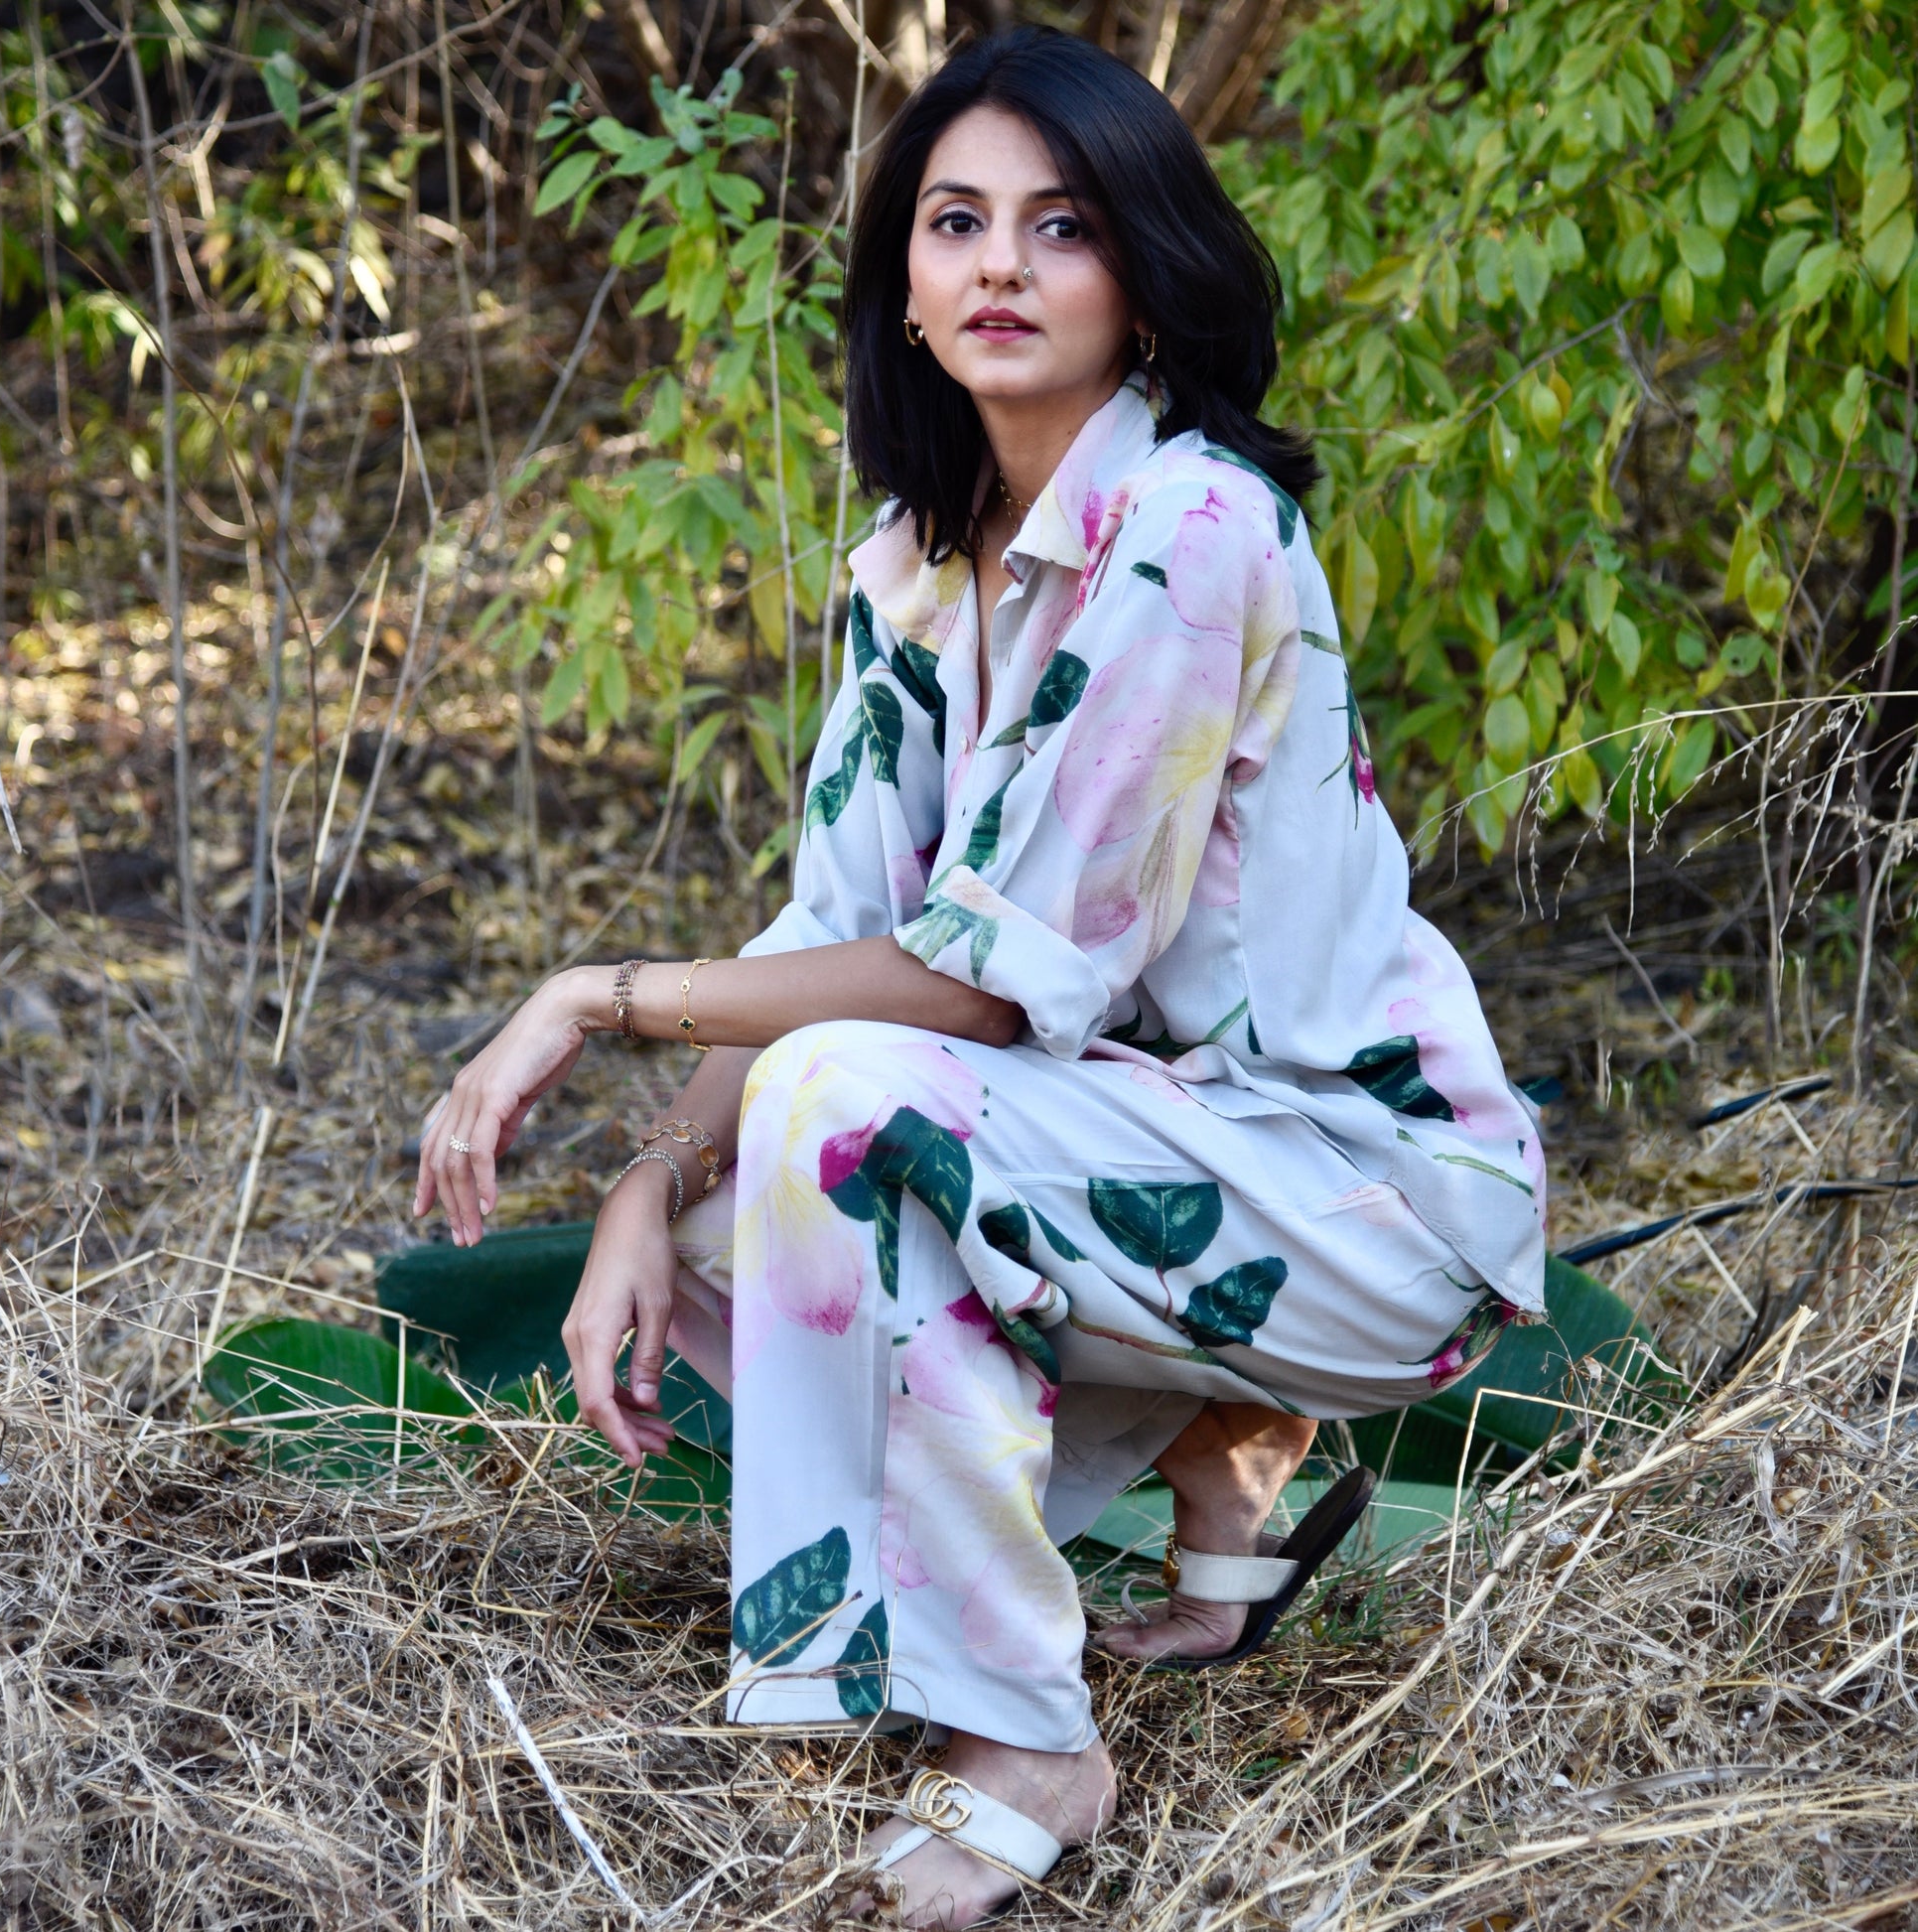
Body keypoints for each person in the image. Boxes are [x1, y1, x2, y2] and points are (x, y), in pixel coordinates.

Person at [415, 28, 1547, 1928]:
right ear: (906, 282)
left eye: (1062, 225)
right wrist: (641, 1178)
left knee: (839, 1120)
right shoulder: (919, 563)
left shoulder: (1191, 527)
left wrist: (589, 995)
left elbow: (980, 996)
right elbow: (824, 936)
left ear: (1147, 277)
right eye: (956, 223)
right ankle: (1213, 1438)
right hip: (1156, 1157)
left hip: (1363, 1199)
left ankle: (1025, 1731)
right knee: (733, 1219)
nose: (1001, 265)